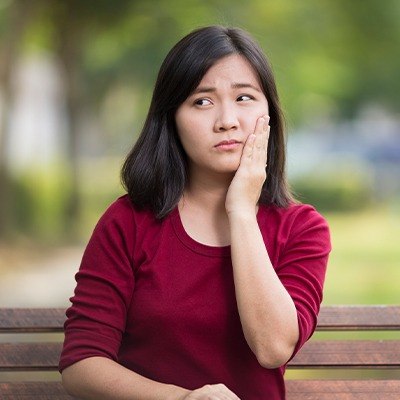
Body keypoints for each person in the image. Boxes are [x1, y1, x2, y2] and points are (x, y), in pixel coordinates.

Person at [59, 25, 331, 400]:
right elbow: (81, 364)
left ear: (269, 112)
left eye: (245, 98)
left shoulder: (302, 228)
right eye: (202, 101)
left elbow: (272, 349)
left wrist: (240, 212)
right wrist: (182, 399)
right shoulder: (128, 221)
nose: (227, 121)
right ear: (171, 118)